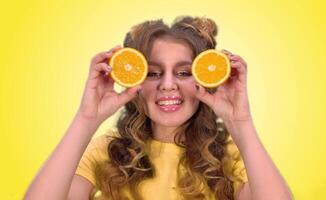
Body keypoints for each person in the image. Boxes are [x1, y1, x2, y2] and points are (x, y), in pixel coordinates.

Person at [24, 16, 293, 200]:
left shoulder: (232, 156)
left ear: (205, 79)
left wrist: (242, 123)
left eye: (184, 72)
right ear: (135, 81)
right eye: (152, 74)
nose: (167, 85)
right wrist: (86, 119)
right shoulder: (107, 151)